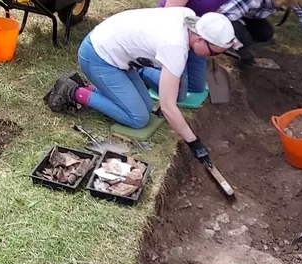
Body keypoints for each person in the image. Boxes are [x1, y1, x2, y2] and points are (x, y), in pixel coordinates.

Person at [43, 8, 240, 162]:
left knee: (146, 107)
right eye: (214, 53)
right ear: (200, 38)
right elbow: (168, 106)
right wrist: (193, 141)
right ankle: (74, 91)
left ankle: (98, 88)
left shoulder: (189, 18)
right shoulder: (175, 46)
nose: (213, 58)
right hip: (97, 56)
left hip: (118, 55)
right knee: (138, 118)